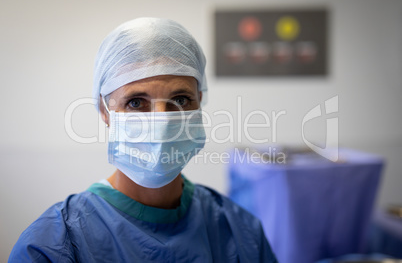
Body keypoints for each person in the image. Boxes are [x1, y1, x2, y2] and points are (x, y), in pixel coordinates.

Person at [9, 17, 277, 262]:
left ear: (199, 102)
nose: (160, 122)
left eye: (180, 100)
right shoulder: (53, 246)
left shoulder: (240, 232)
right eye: (136, 102)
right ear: (105, 111)